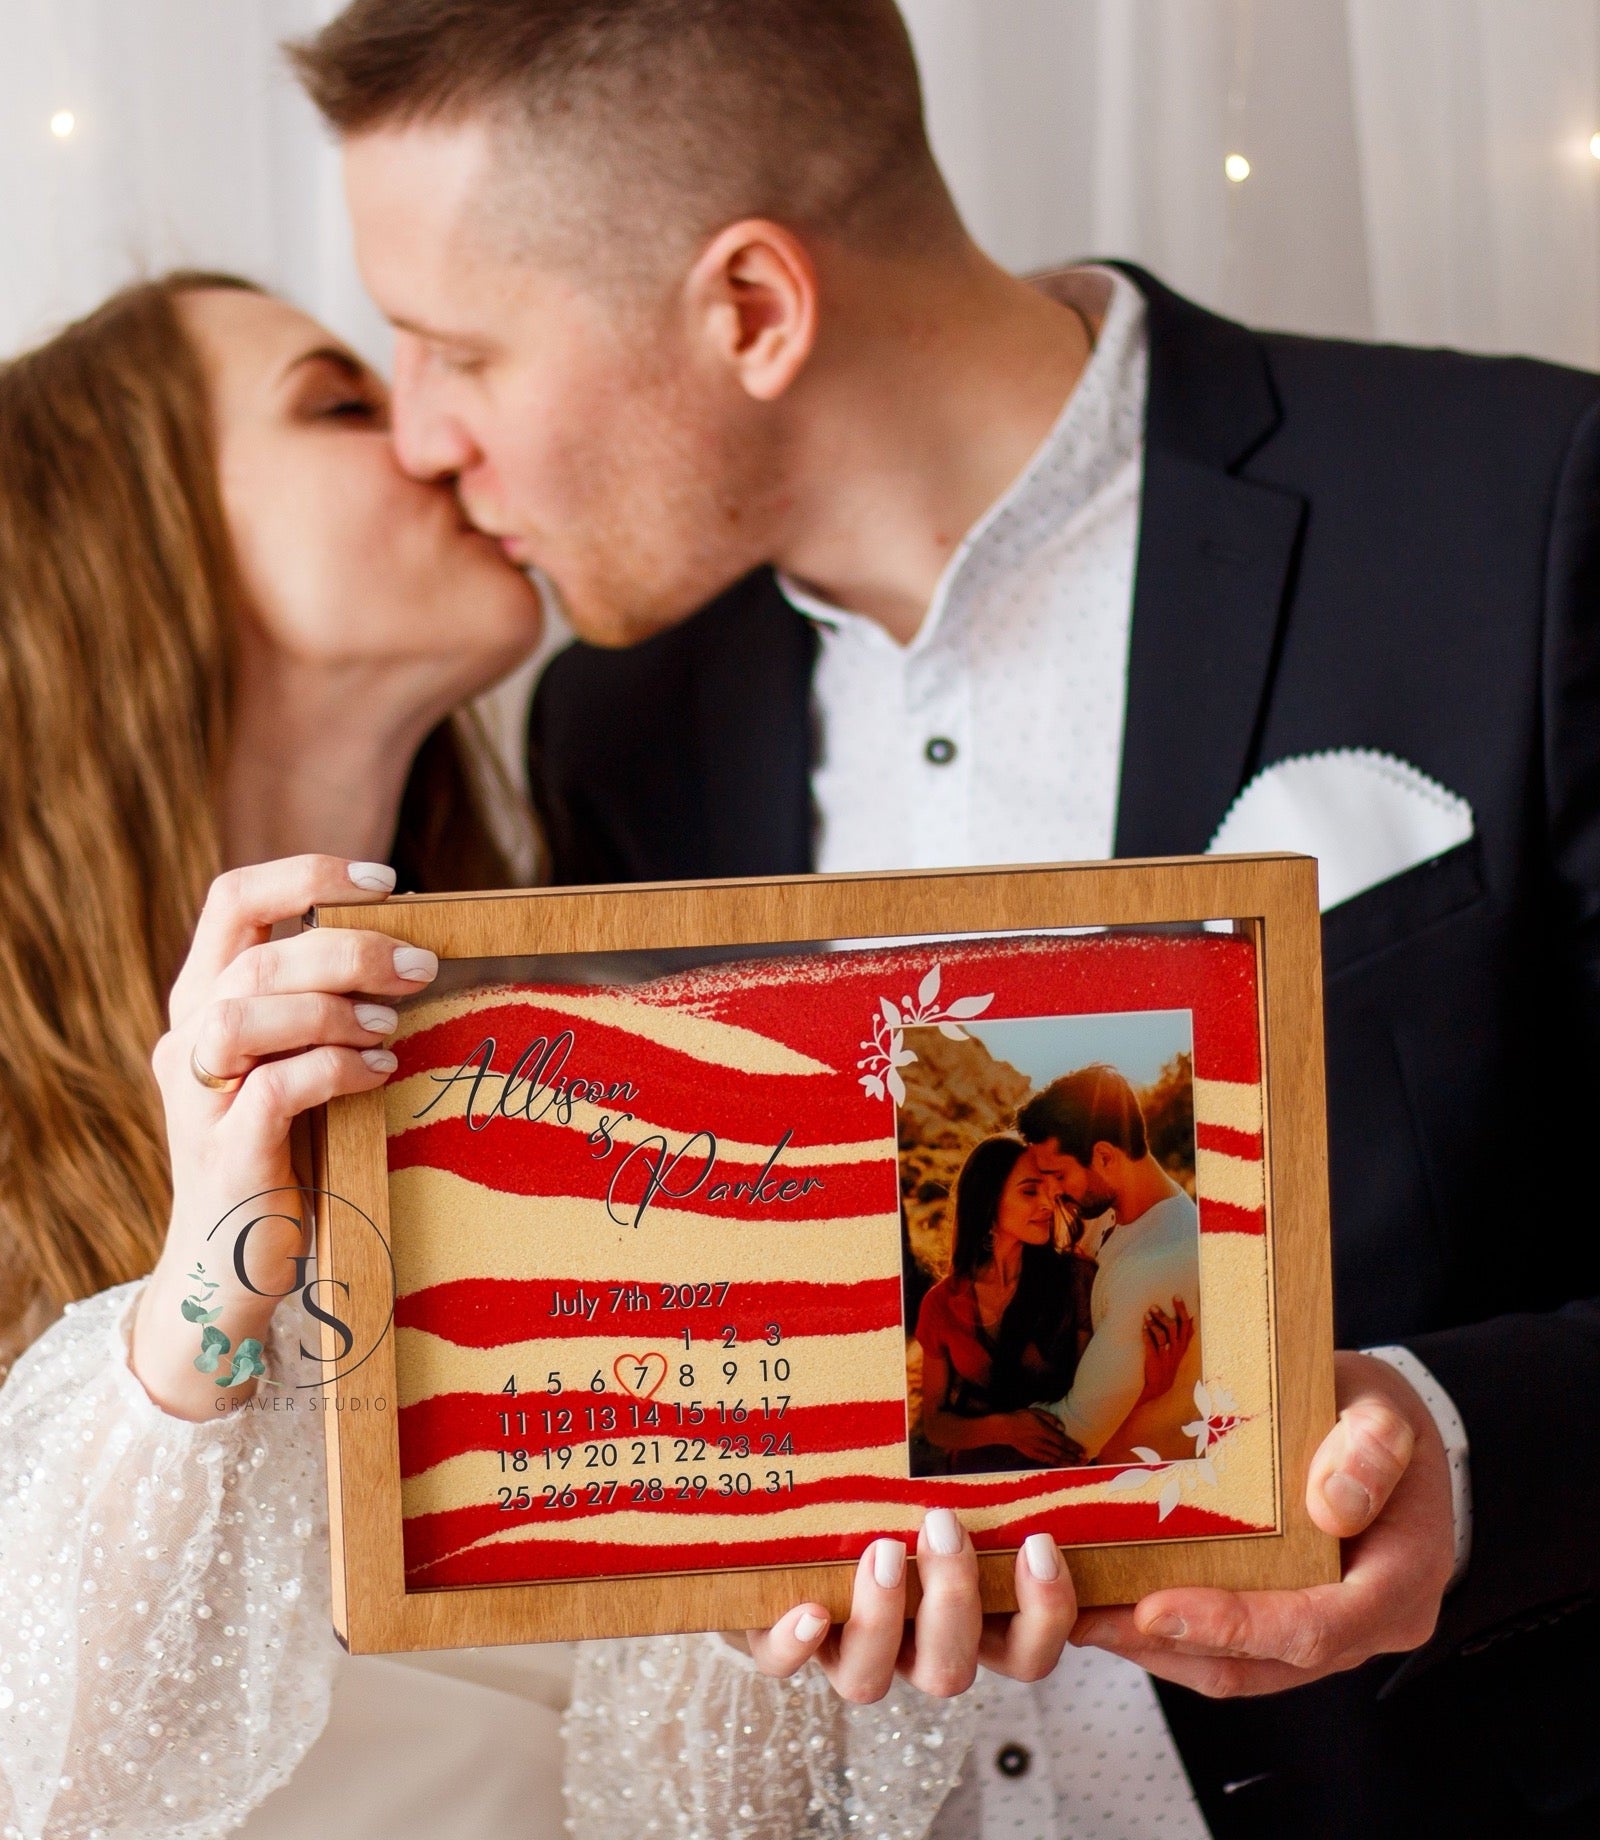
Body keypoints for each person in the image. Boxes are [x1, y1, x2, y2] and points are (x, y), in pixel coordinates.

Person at [288, 0, 1600, 1835]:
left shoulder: (1522, 508)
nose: (420, 434)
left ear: (748, 305)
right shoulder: (618, 726)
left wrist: (1455, 1447)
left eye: (457, 349)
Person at [0, 275, 963, 1840]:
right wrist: (206, 1290)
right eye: (341, 402)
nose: (445, 440)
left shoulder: (603, 1056)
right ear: (124, 546)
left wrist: (761, 1620)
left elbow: (705, 1809)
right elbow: (55, 1782)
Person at [915, 1134, 1189, 1473]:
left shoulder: (1075, 1279)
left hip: (1063, 1477)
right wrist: (1007, 1428)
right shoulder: (940, 1304)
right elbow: (935, 1424)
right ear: (987, 1202)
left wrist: (1150, 1388)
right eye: (1030, 1191)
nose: (1047, 1203)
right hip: (976, 1477)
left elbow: (1088, 1408)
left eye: (1049, 1189)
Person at [1018, 1070, 1202, 1466]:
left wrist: (980, 1425)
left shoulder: (1160, 1265)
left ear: (1104, 1156)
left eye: (1060, 1175)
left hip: (1136, 1486)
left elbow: (1069, 1439)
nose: (1052, 1191)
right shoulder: (1107, 1214)